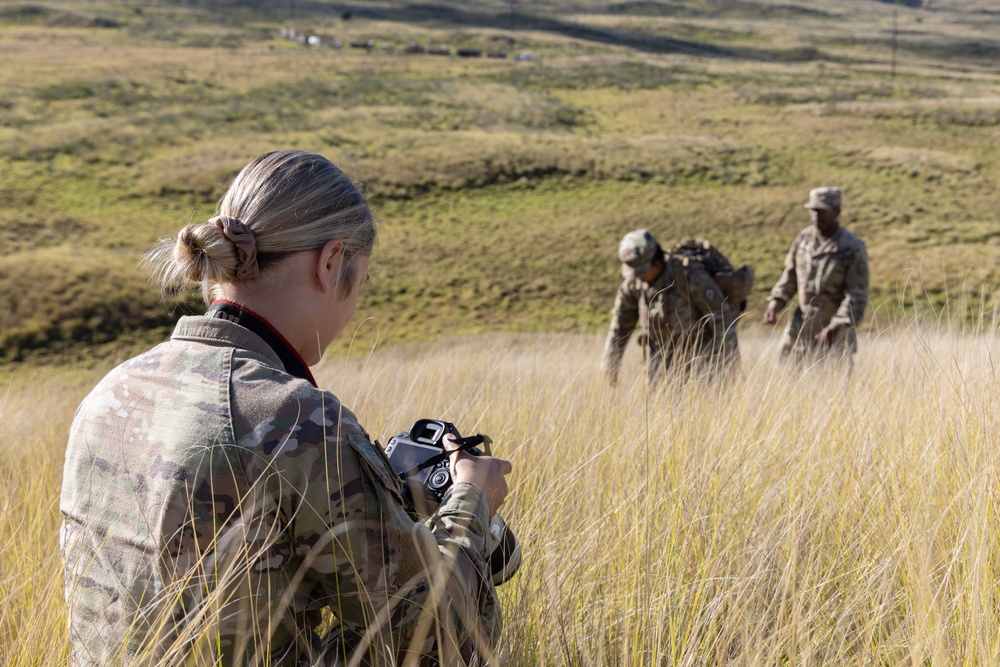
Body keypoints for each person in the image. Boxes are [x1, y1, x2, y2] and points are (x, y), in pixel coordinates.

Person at [59, 150, 513, 666]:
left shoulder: (111, 391)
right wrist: (472, 500)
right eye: (360, 281)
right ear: (330, 262)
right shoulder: (295, 420)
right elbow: (442, 626)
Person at [601, 229, 741, 386]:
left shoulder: (689, 276)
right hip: (659, 368)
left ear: (657, 261)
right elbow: (620, 327)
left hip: (702, 365)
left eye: (643, 271)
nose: (639, 277)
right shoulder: (633, 285)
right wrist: (610, 366)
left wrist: (731, 366)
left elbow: (721, 319)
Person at [763, 186, 869, 365]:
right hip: (800, 326)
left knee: (834, 383)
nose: (816, 215)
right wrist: (775, 304)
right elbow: (790, 276)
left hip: (834, 332)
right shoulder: (803, 239)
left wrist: (836, 326)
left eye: (822, 210)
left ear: (837, 211)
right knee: (786, 377)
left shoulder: (851, 248)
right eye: (813, 210)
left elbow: (857, 296)